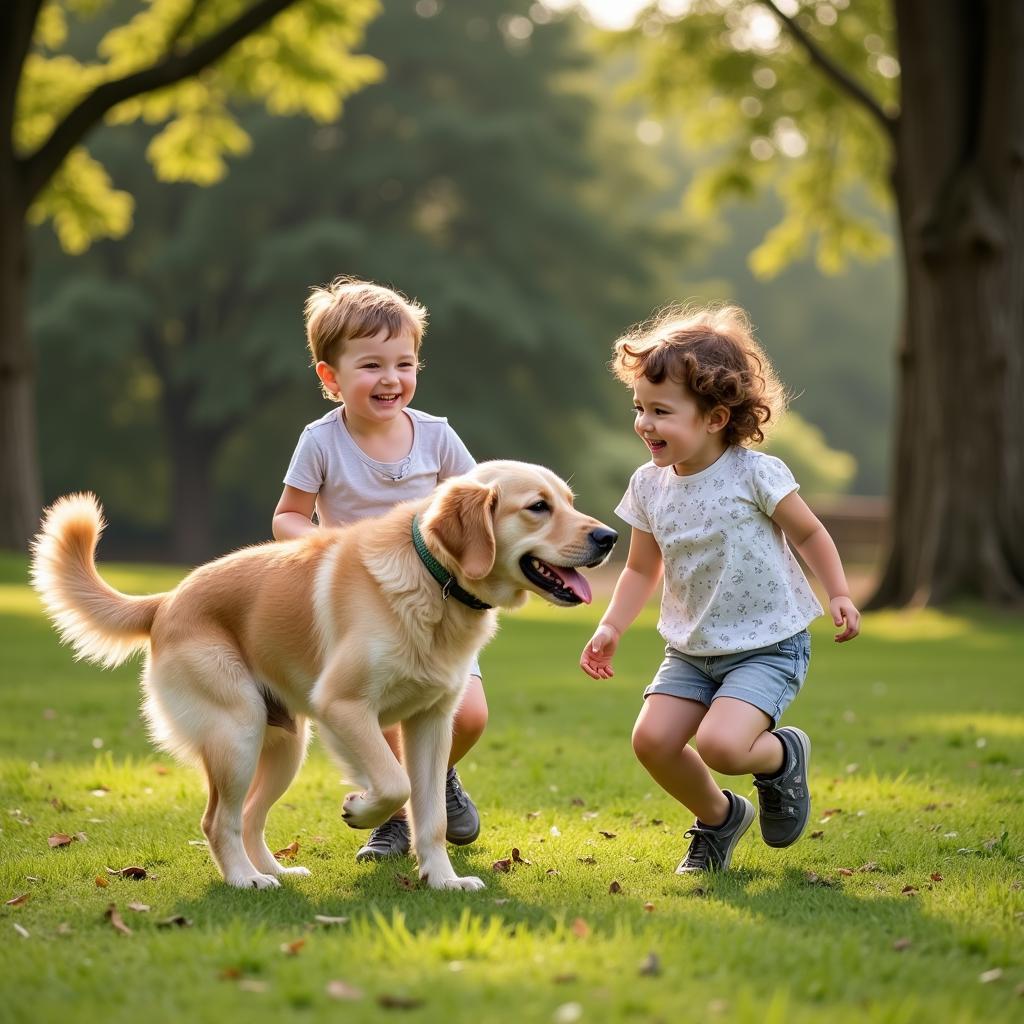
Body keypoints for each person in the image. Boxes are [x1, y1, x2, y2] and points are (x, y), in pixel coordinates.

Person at [580, 303, 860, 874]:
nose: (645, 424)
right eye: (639, 408)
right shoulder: (648, 485)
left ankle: (782, 757)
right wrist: (611, 625)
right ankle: (718, 818)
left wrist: (837, 592)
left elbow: (808, 532)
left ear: (713, 417)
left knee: (724, 747)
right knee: (652, 743)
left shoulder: (755, 473)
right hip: (691, 648)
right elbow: (640, 569)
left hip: (767, 645)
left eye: (661, 411)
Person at [273, 276, 487, 862]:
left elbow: (479, 499)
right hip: (364, 608)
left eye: (404, 363)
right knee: (381, 718)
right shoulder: (321, 441)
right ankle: (395, 820)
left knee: (466, 713)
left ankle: (435, 779)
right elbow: (288, 516)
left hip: (438, 606)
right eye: (371, 365)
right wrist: (332, 545)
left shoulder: (437, 436)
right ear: (330, 377)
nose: (391, 379)